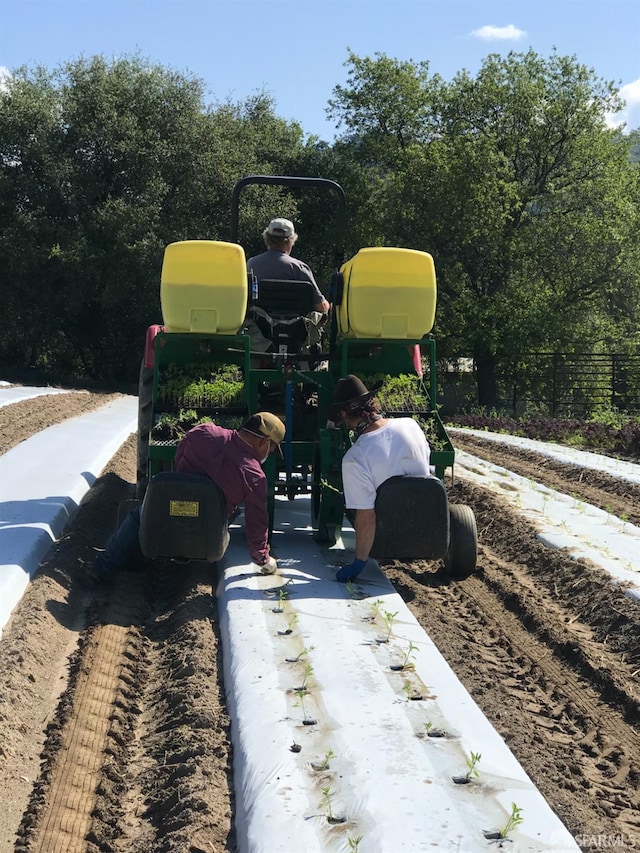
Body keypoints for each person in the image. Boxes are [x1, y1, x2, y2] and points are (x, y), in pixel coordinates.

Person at [85, 412, 285, 586]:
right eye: (273, 449)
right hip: (208, 529)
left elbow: (179, 461)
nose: (271, 453)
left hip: (170, 509)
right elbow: (257, 522)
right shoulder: (254, 476)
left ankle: (103, 565)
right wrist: (262, 558)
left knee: (139, 516)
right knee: (232, 511)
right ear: (264, 442)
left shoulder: (204, 433)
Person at [331, 375, 432, 582]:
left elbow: (366, 518)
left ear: (343, 414)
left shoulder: (354, 457)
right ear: (373, 403)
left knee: (356, 504)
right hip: (426, 523)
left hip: (389, 537)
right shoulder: (411, 425)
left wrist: (359, 563)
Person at [247, 217, 330, 315]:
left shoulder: (251, 264)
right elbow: (321, 307)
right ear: (291, 240)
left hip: (260, 327)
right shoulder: (299, 268)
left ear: (267, 238)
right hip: (295, 328)